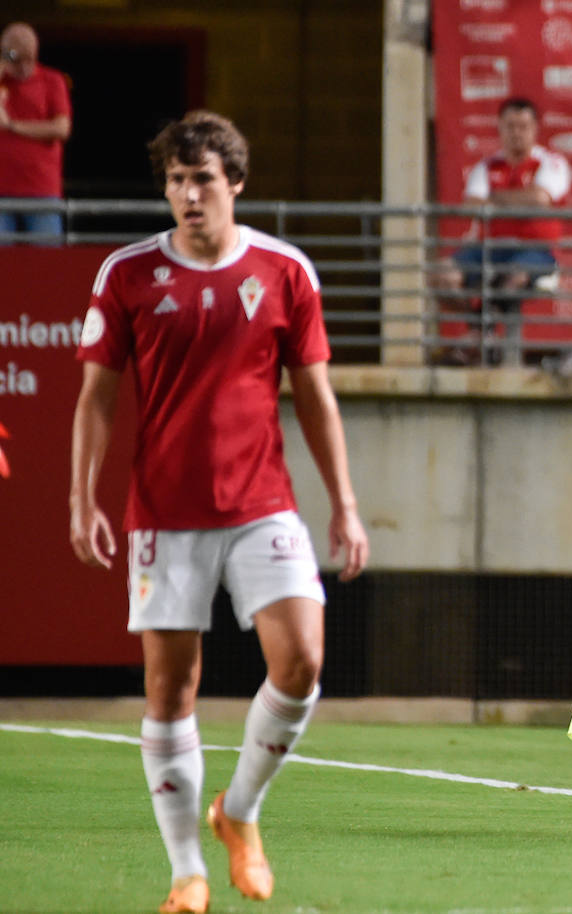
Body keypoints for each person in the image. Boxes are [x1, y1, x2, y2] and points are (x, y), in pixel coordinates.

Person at [69, 110, 369, 914]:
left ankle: (238, 813)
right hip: (163, 514)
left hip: (262, 504)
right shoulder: (126, 273)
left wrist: (344, 504)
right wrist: (81, 495)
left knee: (302, 659)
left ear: (234, 182)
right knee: (171, 692)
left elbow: (315, 396)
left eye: (202, 178)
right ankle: (186, 872)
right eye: (175, 180)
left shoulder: (284, 270)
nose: (188, 194)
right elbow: (96, 397)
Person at [434, 96, 570, 366]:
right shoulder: (486, 166)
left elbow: (540, 200)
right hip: (490, 247)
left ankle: (477, 339)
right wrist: (519, 199)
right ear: (500, 128)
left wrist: (494, 200)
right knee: (441, 276)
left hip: (536, 250)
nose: (516, 133)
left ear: (535, 129)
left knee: (514, 278)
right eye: (510, 126)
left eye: (523, 126)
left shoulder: (550, 163)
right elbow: (471, 206)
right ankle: (483, 333)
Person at [0, 22, 71, 242]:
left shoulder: (51, 80)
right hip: (1, 190)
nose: (23, 66)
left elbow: (61, 128)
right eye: (17, 59)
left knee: (47, 259)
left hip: (41, 189)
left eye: (29, 58)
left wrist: (12, 125)